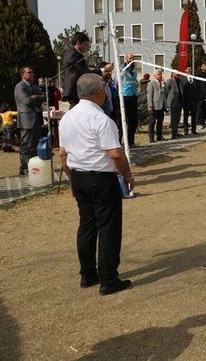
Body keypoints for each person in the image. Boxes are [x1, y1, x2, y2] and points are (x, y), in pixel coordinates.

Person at [59, 74, 133, 296]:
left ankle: (88, 273)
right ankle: (108, 278)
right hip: (101, 178)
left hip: (79, 176)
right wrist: (128, 174)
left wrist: (71, 179)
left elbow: (62, 154)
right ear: (99, 92)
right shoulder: (101, 119)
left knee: (87, 225)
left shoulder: (67, 118)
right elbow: (115, 154)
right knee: (108, 228)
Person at [14, 66, 45, 176]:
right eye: (29, 72)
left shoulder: (34, 86)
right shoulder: (20, 86)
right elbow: (26, 100)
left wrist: (35, 97)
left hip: (36, 118)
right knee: (26, 144)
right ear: (23, 74)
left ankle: (33, 166)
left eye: (33, 72)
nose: (32, 74)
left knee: (35, 144)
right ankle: (24, 167)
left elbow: (43, 97)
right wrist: (35, 98)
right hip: (26, 119)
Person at [62, 32, 93, 108]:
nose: (86, 47)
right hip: (74, 90)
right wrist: (102, 70)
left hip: (74, 90)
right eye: (85, 44)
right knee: (76, 111)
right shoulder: (75, 54)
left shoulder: (71, 52)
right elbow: (85, 72)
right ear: (78, 43)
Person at [120, 55, 139, 147]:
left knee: (133, 120)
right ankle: (120, 142)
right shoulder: (121, 69)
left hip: (133, 96)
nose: (131, 60)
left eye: (132, 58)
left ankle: (131, 141)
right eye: (129, 58)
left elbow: (134, 82)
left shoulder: (134, 70)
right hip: (125, 96)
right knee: (123, 120)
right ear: (125, 59)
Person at [146, 69, 167, 143]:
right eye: (158, 74)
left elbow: (165, 93)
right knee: (152, 122)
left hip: (162, 105)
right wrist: (150, 105)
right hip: (155, 105)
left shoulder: (162, 83)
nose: (160, 75)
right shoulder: (151, 83)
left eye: (161, 74)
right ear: (154, 75)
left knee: (160, 122)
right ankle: (151, 138)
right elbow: (149, 95)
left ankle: (159, 136)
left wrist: (164, 85)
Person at [181, 67, 200, 135]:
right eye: (188, 69)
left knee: (194, 116)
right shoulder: (182, 79)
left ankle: (193, 130)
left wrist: (197, 99)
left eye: (190, 69)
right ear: (185, 70)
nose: (190, 70)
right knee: (186, 116)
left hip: (194, 101)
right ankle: (186, 130)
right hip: (186, 101)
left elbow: (198, 89)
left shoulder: (194, 78)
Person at [164, 73, 183, 139]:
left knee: (178, 118)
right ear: (172, 74)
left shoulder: (180, 81)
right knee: (173, 118)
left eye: (178, 73)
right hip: (172, 102)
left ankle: (176, 132)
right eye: (176, 73)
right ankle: (173, 134)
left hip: (179, 102)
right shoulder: (170, 80)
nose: (178, 74)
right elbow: (166, 91)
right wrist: (168, 101)